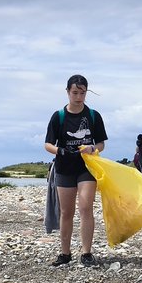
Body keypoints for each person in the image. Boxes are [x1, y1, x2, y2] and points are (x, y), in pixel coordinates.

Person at [44, 74, 108, 266]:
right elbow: (48, 144)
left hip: (87, 167)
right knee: (66, 212)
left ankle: (86, 253)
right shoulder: (59, 116)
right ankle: (65, 253)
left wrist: (92, 148)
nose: (79, 97)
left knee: (86, 207)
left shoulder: (93, 116)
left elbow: (101, 144)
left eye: (82, 93)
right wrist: (60, 150)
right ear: (67, 92)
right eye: (75, 93)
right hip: (64, 168)